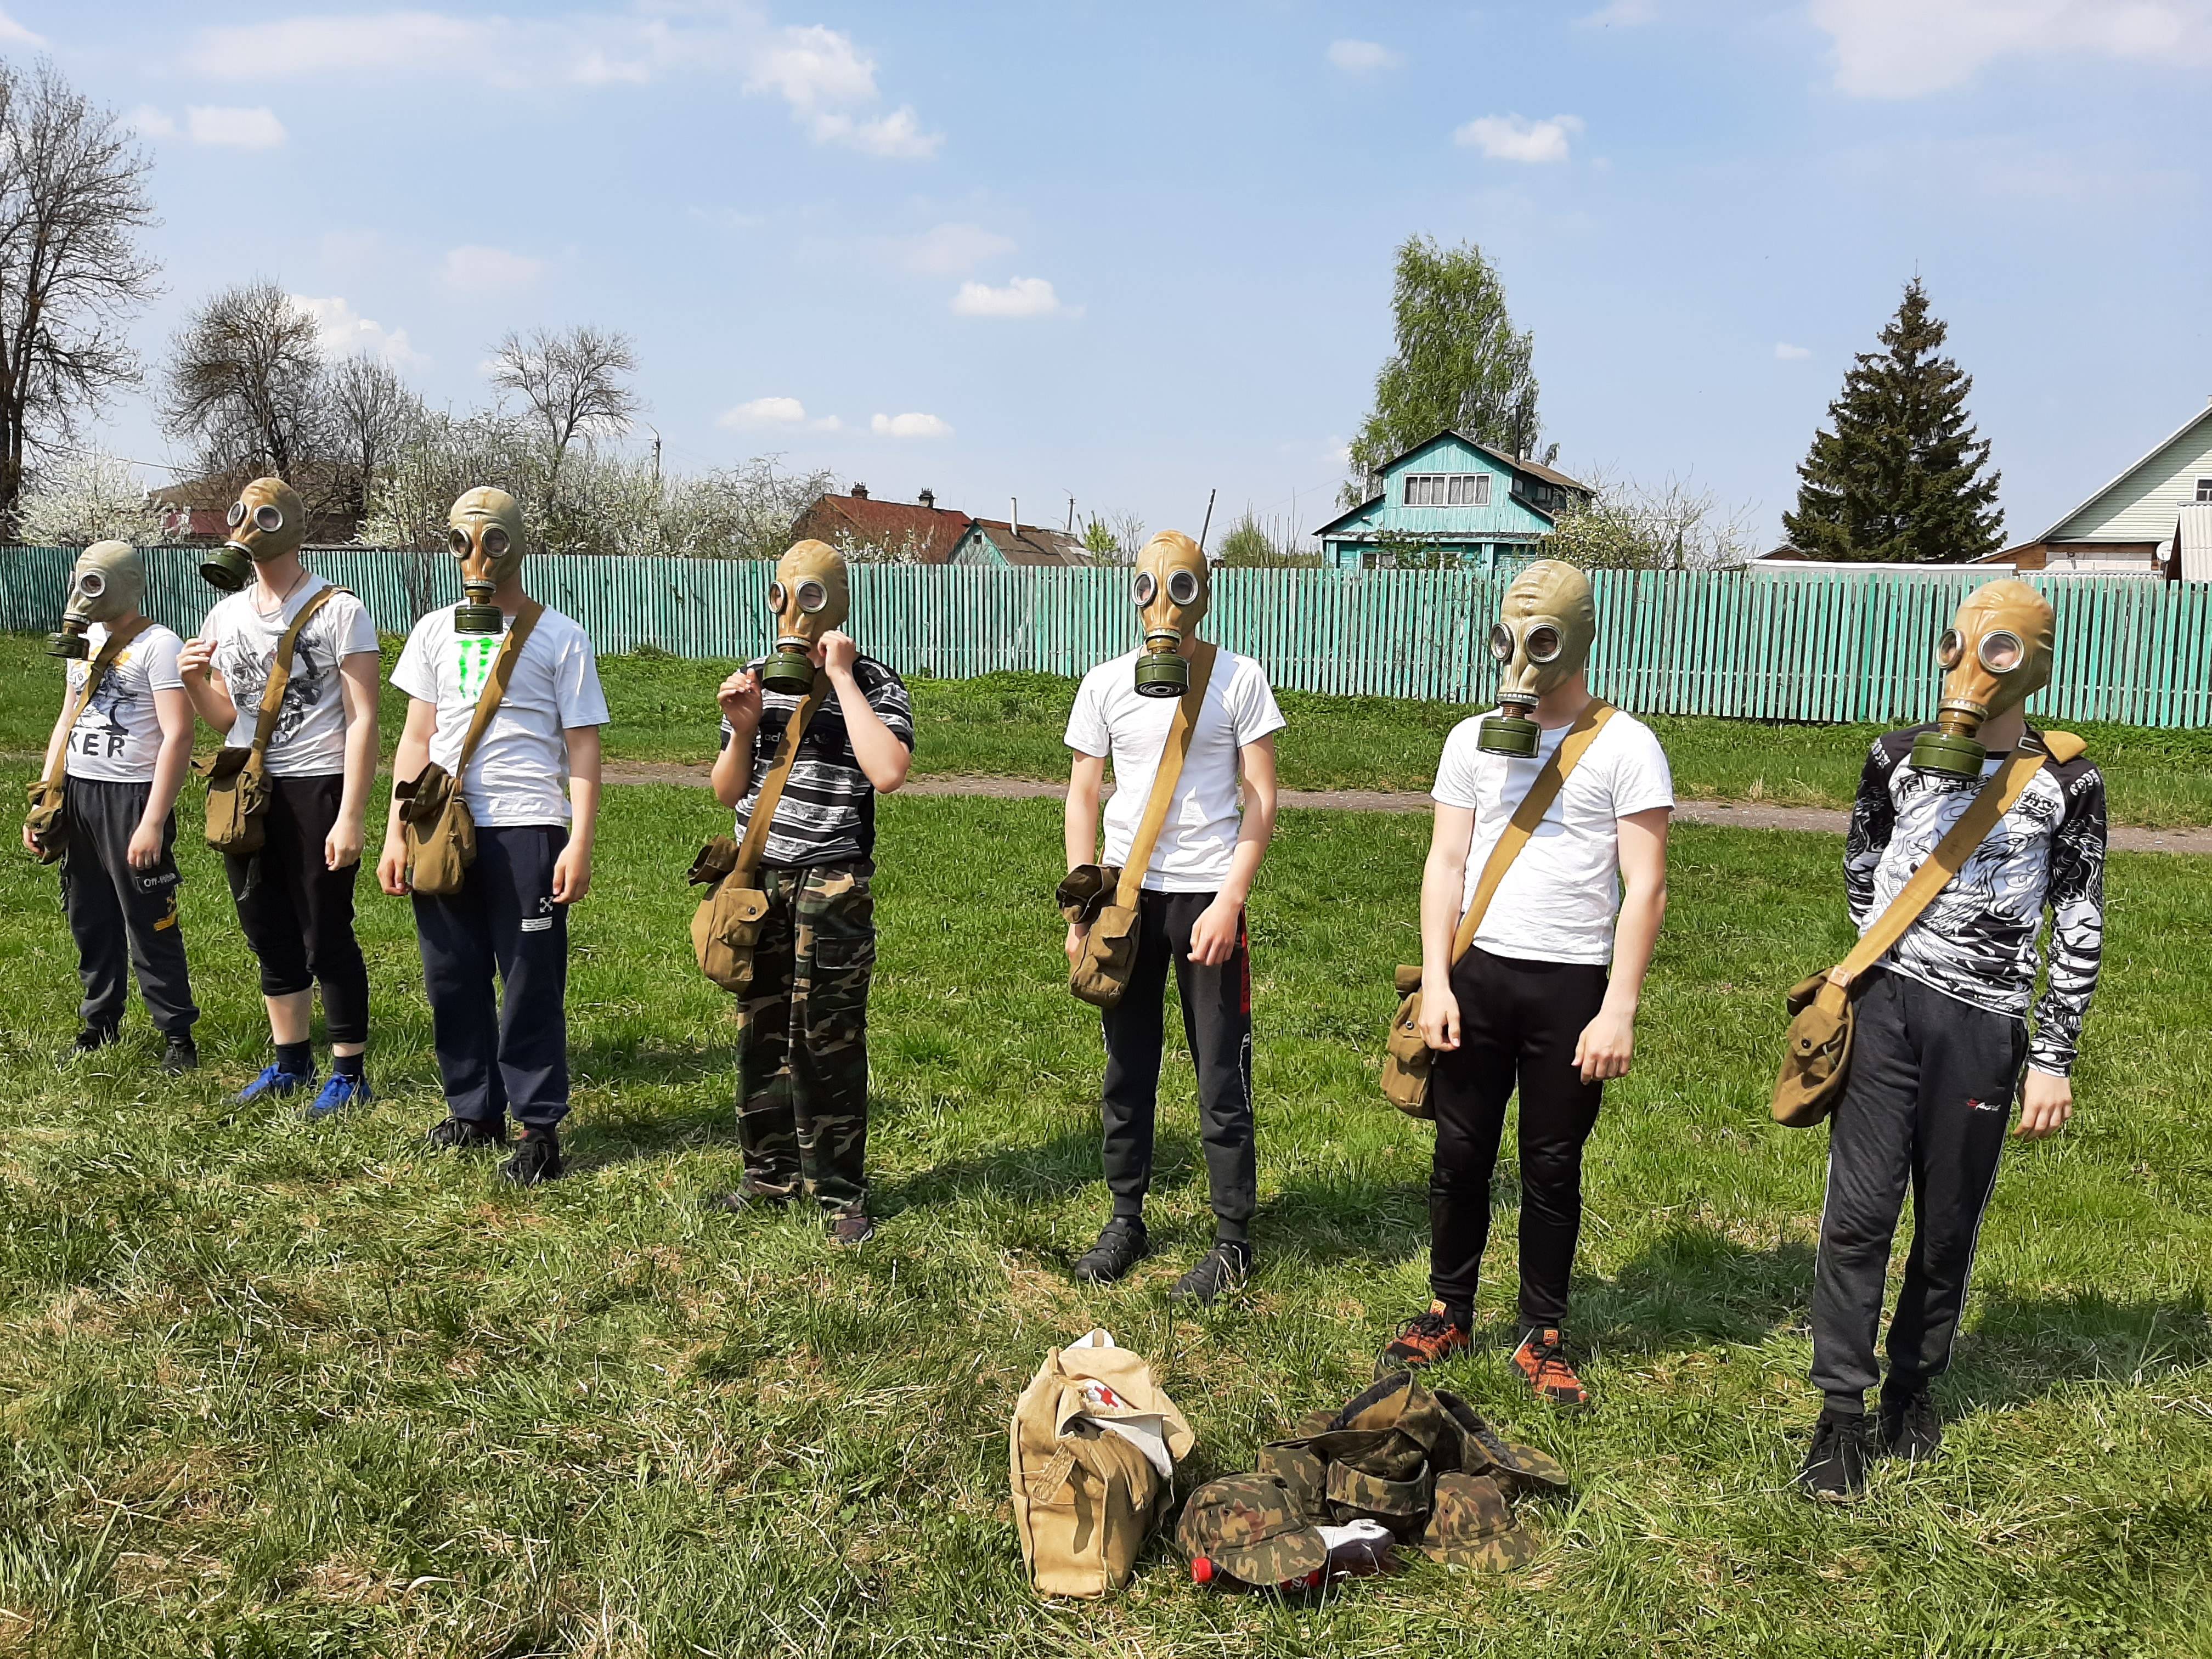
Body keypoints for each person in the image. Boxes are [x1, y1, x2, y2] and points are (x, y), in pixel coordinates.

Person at [1798, 580, 2106, 1502]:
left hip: (1984, 1024)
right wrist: (1879, 962)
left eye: (2000, 651)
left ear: (2034, 663)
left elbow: (2081, 914)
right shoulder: (1894, 754)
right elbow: (1861, 860)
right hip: (1886, 1007)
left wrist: (2051, 1052)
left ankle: (1913, 1388)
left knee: (1945, 1220)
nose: (1974, 667)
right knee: (1856, 1213)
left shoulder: (2067, 780)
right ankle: (1839, 1414)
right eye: (1963, 645)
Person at [1380, 560, 1672, 1407]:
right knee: (1460, 1152)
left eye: (1542, 639)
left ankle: (1543, 1332)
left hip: (1572, 984)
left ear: (1577, 639)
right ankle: (1449, 1308)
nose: (1522, 659)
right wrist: (1438, 978)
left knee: (1550, 1163)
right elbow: (1445, 860)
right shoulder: (1470, 739)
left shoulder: (1625, 745)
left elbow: (1645, 885)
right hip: (1478, 976)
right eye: (1512, 637)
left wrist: (1618, 1007)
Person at [1062, 530, 1284, 1305]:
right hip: (1126, 896)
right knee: (1127, 1066)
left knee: (1221, 1071)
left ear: (1204, 593)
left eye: (1182, 589)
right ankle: (1127, 1217)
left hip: (1206, 897)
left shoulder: (1239, 680)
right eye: (1153, 588)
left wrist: (1230, 898)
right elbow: (1085, 794)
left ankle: (1232, 1239)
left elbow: (1262, 799)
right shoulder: (1106, 684)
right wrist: (1083, 905)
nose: (1166, 604)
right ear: (1134, 594)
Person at [378, 488, 608, 1186]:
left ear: (516, 545)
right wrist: (395, 833)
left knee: (530, 983)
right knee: (451, 974)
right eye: (461, 541)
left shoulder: (560, 636)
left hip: (527, 827)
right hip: (442, 825)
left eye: (492, 541)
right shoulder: (432, 631)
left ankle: (538, 1128)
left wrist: (579, 841)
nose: (476, 556)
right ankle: (473, 1111)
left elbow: (584, 749)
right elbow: (417, 737)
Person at [707, 539, 912, 1244]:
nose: (797, 610)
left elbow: (887, 771)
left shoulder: (878, 684)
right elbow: (727, 789)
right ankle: (766, 1177)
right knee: (760, 1031)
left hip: (833, 882)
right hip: (759, 879)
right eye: (788, 595)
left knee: (827, 1039)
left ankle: (839, 1194)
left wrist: (844, 679)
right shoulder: (754, 680)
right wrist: (741, 729)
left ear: (838, 604)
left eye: (814, 597)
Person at [177, 477, 381, 1114]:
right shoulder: (227, 614)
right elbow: (223, 717)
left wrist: (350, 815)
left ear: (288, 526)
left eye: (259, 516)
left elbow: (364, 717)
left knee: (325, 932)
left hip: (317, 783)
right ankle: (290, 1061)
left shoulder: (338, 609)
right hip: (247, 786)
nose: (246, 528)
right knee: (265, 927)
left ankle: (349, 1072)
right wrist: (190, 682)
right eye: (240, 515)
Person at [25, 541, 200, 1070]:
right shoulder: (85, 642)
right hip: (79, 791)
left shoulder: (158, 644)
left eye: (97, 583)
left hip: (132, 797)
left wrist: (151, 821)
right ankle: (100, 1021)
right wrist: (45, 796)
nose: (85, 593)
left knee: (149, 917)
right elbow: (66, 717)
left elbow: (178, 735)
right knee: (89, 915)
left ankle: (176, 1034)